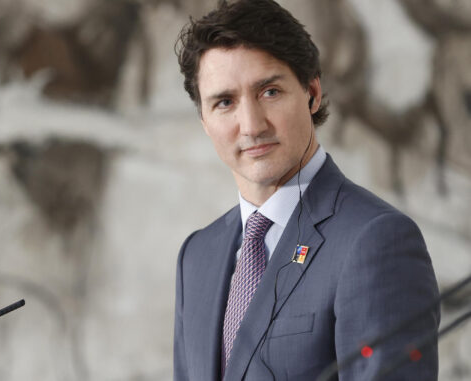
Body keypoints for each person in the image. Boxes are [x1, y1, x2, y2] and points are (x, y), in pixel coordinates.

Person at [172, 0, 440, 380]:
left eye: (269, 92)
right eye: (225, 102)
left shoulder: (376, 240)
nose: (250, 125)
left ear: (312, 92)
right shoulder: (197, 255)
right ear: (204, 120)